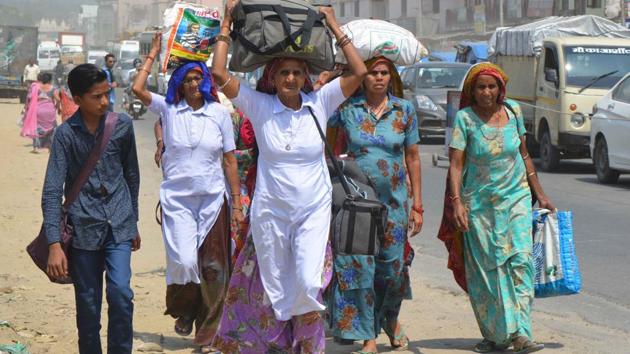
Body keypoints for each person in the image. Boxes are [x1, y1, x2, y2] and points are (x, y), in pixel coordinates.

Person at [210, 2, 368, 352]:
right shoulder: (260, 106)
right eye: (284, 73)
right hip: (272, 213)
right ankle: (278, 343)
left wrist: (333, 24)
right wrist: (225, 23)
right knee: (275, 284)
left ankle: (307, 345)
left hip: (313, 210)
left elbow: (358, 72)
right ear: (273, 78)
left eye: (297, 72)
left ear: (305, 77)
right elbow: (220, 75)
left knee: (309, 282)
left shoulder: (320, 101)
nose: (291, 79)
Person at [132, 34, 244, 354]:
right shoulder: (168, 109)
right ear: (179, 84)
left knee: (214, 267)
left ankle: (208, 334)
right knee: (183, 262)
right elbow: (138, 90)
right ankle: (186, 309)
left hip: (212, 199)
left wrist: (236, 203)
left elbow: (230, 160)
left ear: (206, 82)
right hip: (177, 200)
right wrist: (153, 53)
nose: (194, 84)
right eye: (188, 79)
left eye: (199, 78)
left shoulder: (219, 113)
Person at [444, 62, 554, 354]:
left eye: (492, 86)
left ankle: (521, 333)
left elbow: (525, 155)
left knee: (521, 261)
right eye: (481, 87)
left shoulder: (514, 112)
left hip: (516, 197)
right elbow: (456, 165)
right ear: (472, 90)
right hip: (479, 205)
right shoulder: (465, 120)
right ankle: (496, 335)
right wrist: (456, 203)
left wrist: (540, 195)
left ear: (500, 88)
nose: (487, 92)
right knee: (490, 271)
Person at [326, 56, 423, 353]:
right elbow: (326, 147)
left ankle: (389, 318)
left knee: (392, 269)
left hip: (395, 203)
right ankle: (369, 335)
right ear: (362, 78)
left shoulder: (404, 110)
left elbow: (413, 158)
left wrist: (417, 205)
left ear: (391, 78)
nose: (378, 78)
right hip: (358, 203)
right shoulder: (347, 110)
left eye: (384, 73)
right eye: (372, 73)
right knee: (361, 268)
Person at [42, 63, 141, 354]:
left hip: (119, 224)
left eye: (106, 94)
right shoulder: (65, 135)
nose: (104, 102)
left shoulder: (122, 125)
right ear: (77, 98)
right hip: (82, 229)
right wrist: (54, 244)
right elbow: (51, 191)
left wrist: (132, 221)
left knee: (121, 293)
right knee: (87, 305)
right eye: (96, 96)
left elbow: (131, 176)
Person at [20, 72, 60, 153]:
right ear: (50, 80)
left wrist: (26, 108)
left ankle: (36, 147)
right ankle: (49, 147)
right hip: (50, 110)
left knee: (36, 128)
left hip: (38, 110)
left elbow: (29, 98)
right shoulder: (53, 88)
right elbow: (58, 99)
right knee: (52, 128)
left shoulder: (36, 87)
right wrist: (57, 107)